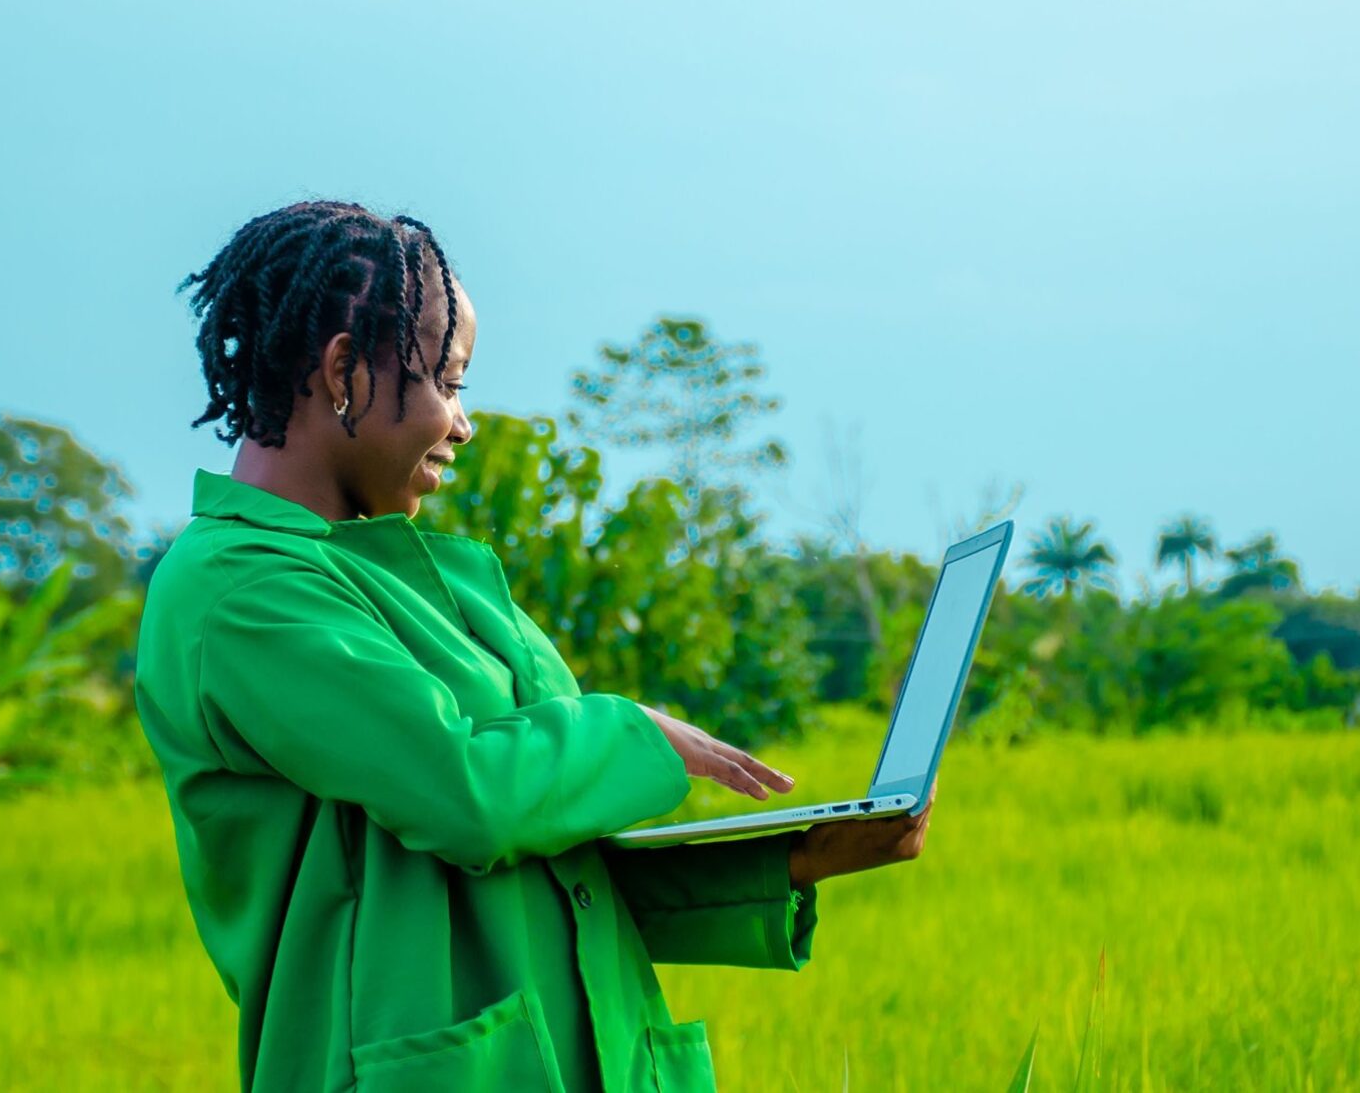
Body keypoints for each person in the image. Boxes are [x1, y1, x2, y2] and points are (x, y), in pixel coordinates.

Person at [134, 200, 935, 1093]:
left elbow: (548, 861)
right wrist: (631, 732)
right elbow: (463, 793)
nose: (463, 422)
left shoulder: (401, 574)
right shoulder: (241, 590)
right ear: (343, 372)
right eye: (449, 378)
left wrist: (792, 861)